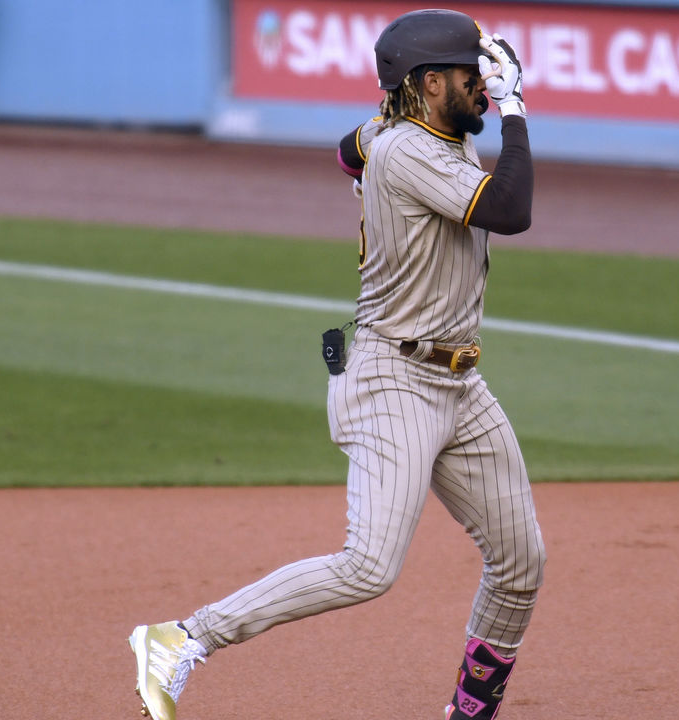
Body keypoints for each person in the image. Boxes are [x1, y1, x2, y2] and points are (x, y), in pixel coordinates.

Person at [128, 10, 545, 720]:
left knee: (521, 562)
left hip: (458, 385)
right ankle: (181, 638)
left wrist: (380, 132)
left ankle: (472, 712)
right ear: (429, 81)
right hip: (393, 377)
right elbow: (510, 211)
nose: (485, 83)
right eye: (472, 75)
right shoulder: (410, 150)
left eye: (489, 74)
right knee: (368, 567)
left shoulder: (394, 135)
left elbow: (346, 151)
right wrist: (515, 109)